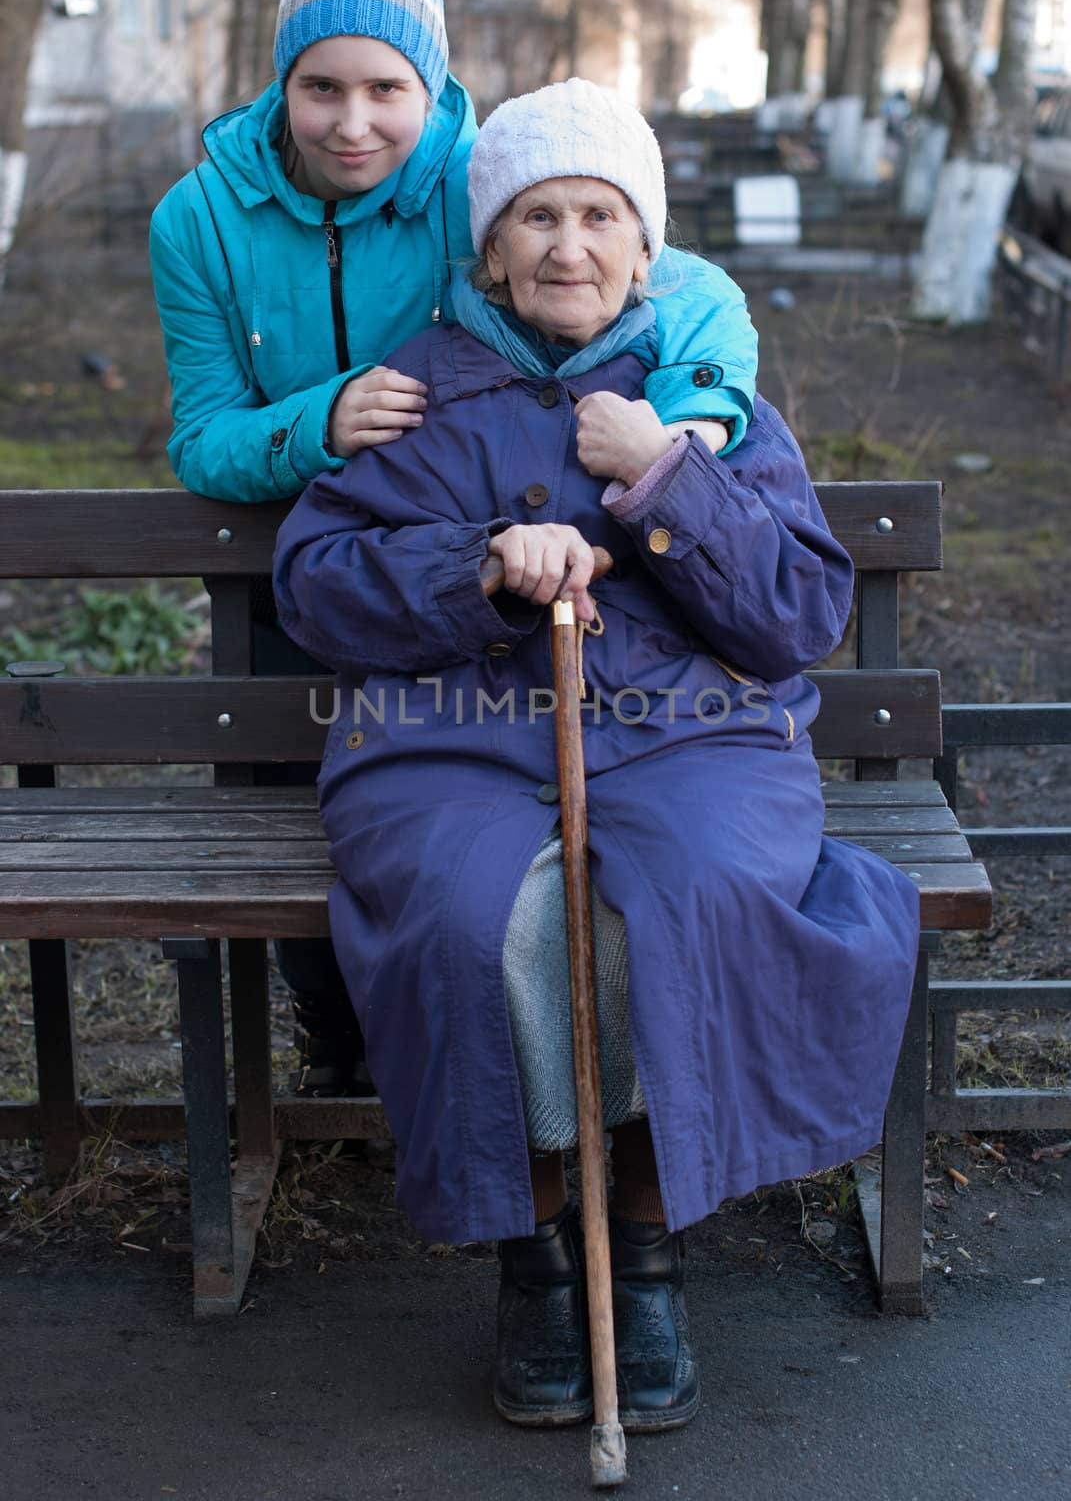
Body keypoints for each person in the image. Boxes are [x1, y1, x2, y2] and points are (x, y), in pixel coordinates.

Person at [272, 79, 921, 1432]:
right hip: (451, 742)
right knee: (479, 920)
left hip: (692, 737)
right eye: (537, 216)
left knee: (680, 904)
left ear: (644, 249)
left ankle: (642, 1245)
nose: (568, 246)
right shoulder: (424, 390)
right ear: (492, 250)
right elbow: (318, 580)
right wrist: (478, 564)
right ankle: (538, 1251)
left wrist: (662, 483)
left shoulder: (699, 399)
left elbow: (799, 613)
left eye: (598, 217)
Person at [149, 0, 759, 1095]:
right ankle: (350, 1062)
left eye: (388, 89)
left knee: (472, 820)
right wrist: (320, 421)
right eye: (321, 87)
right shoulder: (202, 218)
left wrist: (694, 419)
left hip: (480, 542)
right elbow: (202, 433)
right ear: (281, 81)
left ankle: (495, 1080)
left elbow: (683, 281)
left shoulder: (479, 177)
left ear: (431, 91)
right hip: (325, 543)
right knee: (323, 845)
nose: (354, 123)